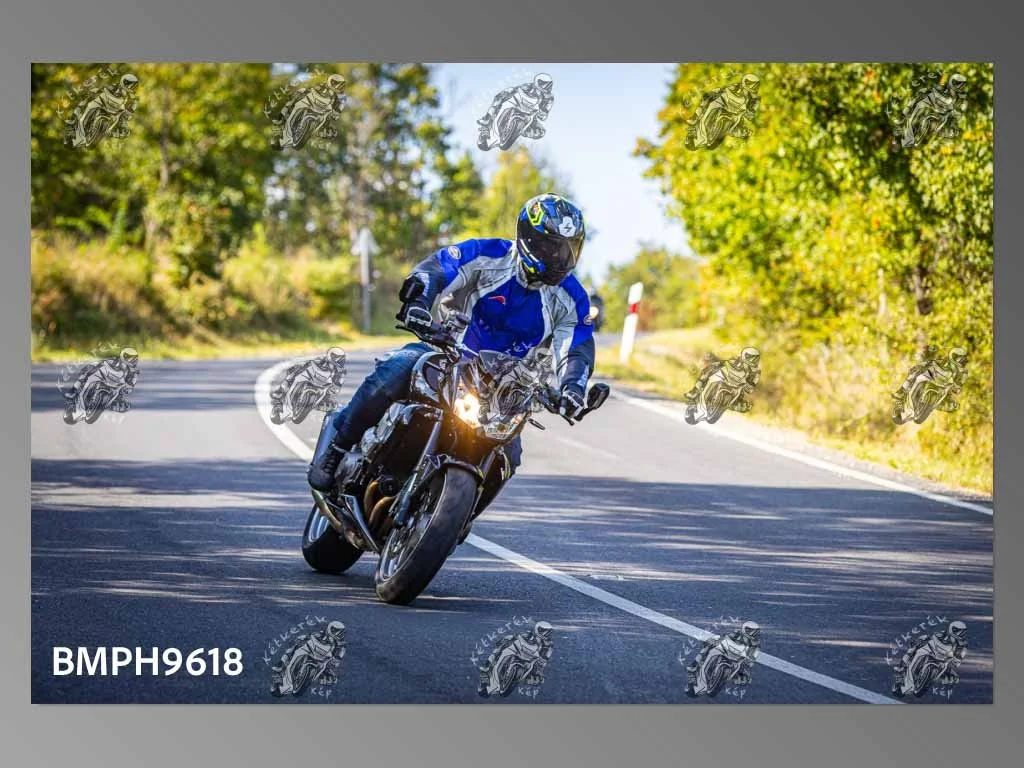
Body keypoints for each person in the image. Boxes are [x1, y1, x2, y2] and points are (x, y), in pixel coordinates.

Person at [307, 193, 595, 500]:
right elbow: (438, 268)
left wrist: (573, 388)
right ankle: (338, 447)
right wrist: (418, 303)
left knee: (510, 454)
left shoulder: (572, 297)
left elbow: (576, 347)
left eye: (568, 250)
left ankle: (461, 516)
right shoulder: (487, 255)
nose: (559, 258)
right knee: (400, 366)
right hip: (448, 355)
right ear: (528, 238)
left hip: (503, 390)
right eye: (551, 247)